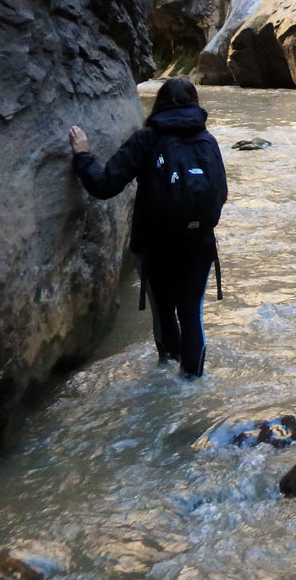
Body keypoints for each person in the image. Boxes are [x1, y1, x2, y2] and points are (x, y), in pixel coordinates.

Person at [69, 77, 227, 379]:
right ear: (195, 104)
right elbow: (221, 194)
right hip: (199, 244)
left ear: (159, 104)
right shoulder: (208, 141)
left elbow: (104, 185)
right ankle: (191, 383)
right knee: (191, 313)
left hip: (155, 246)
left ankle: (165, 374)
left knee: (165, 311)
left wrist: (82, 155)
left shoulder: (147, 138)